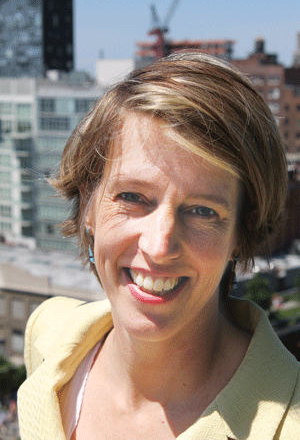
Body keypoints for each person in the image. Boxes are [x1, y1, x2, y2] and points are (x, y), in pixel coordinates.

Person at [18, 53, 300, 440]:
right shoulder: (47, 335)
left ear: (239, 234)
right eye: (133, 196)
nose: (160, 245)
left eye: (203, 210)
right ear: (88, 205)